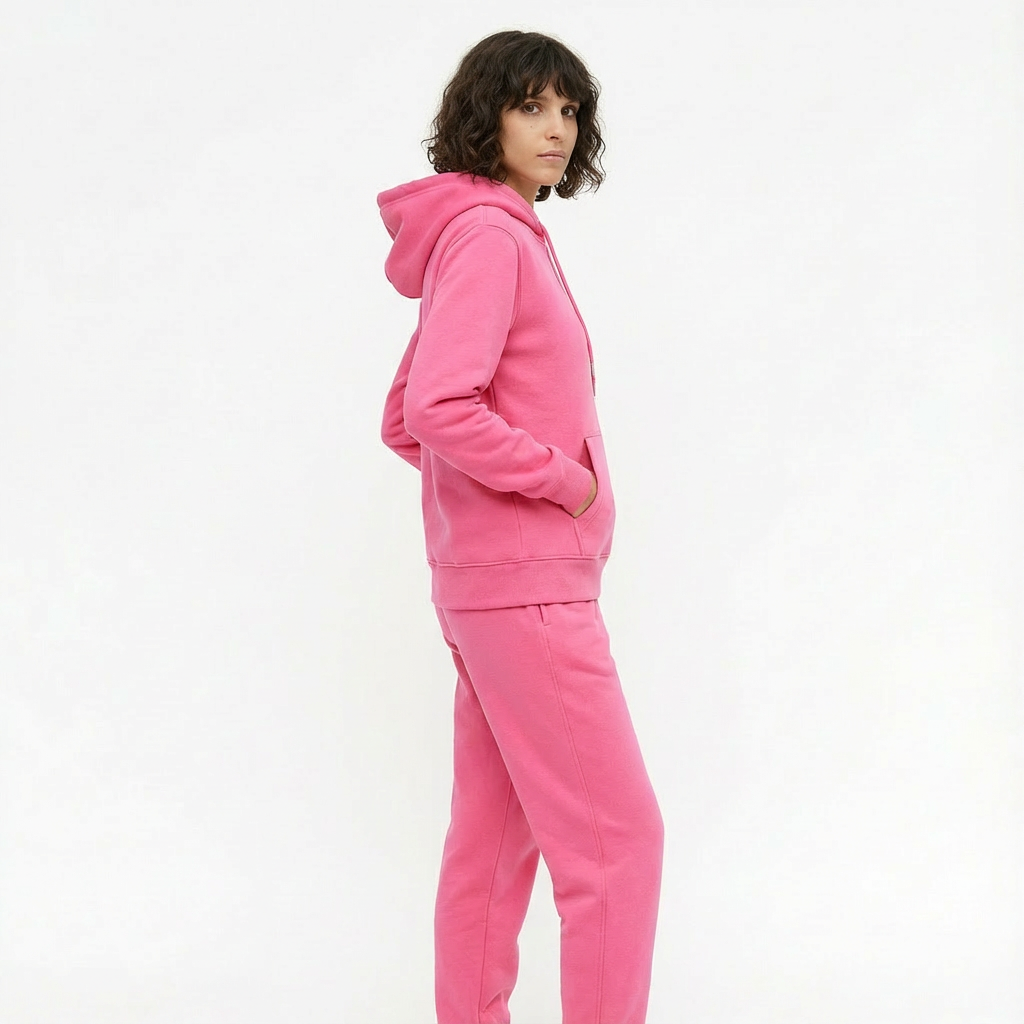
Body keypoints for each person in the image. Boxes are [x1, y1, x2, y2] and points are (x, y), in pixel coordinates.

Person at [377, 29, 664, 1024]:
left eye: (569, 110)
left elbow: (404, 413)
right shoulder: (491, 236)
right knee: (618, 846)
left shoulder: (481, 233)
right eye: (531, 106)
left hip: (492, 589)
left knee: (494, 847)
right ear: (484, 116)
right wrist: (563, 485)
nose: (556, 128)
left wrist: (489, 512)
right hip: (529, 592)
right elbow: (434, 410)